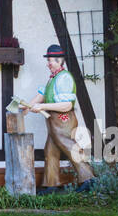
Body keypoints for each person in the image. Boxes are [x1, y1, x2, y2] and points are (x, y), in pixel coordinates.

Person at [20, 44, 94, 189]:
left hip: (63, 121)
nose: (48, 64)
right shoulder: (53, 79)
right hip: (54, 123)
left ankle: (89, 178)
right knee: (50, 151)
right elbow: (42, 95)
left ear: (59, 61)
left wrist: (42, 107)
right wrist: (26, 107)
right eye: (48, 61)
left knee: (70, 147)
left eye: (51, 61)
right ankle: (52, 184)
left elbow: (67, 105)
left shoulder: (64, 78)